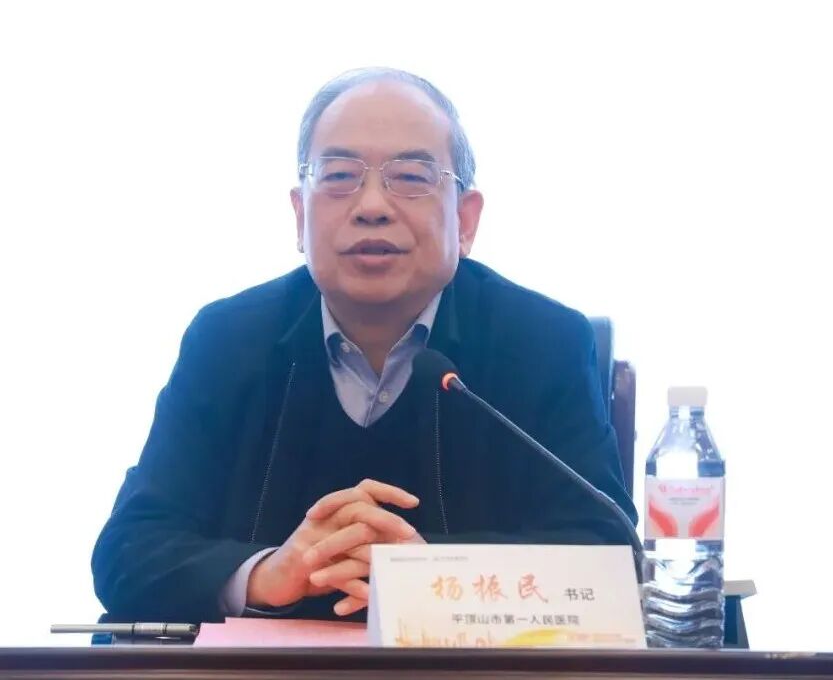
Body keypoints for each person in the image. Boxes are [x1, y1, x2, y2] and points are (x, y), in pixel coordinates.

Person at [92, 67, 637, 624]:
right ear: (300, 215)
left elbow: (608, 555)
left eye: (411, 176)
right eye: (339, 176)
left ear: (466, 219)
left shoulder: (542, 341)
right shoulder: (228, 339)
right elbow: (129, 552)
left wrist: (429, 575)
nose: (372, 205)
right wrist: (266, 574)